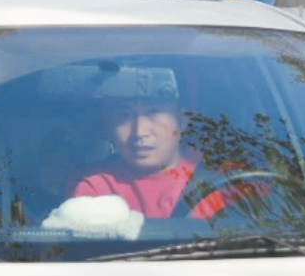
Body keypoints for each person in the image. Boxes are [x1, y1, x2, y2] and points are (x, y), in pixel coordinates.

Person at [70, 68, 257, 221]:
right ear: (108, 128)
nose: (139, 132)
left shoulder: (227, 178)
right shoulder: (98, 187)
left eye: (154, 112)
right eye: (124, 115)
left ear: (182, 120)